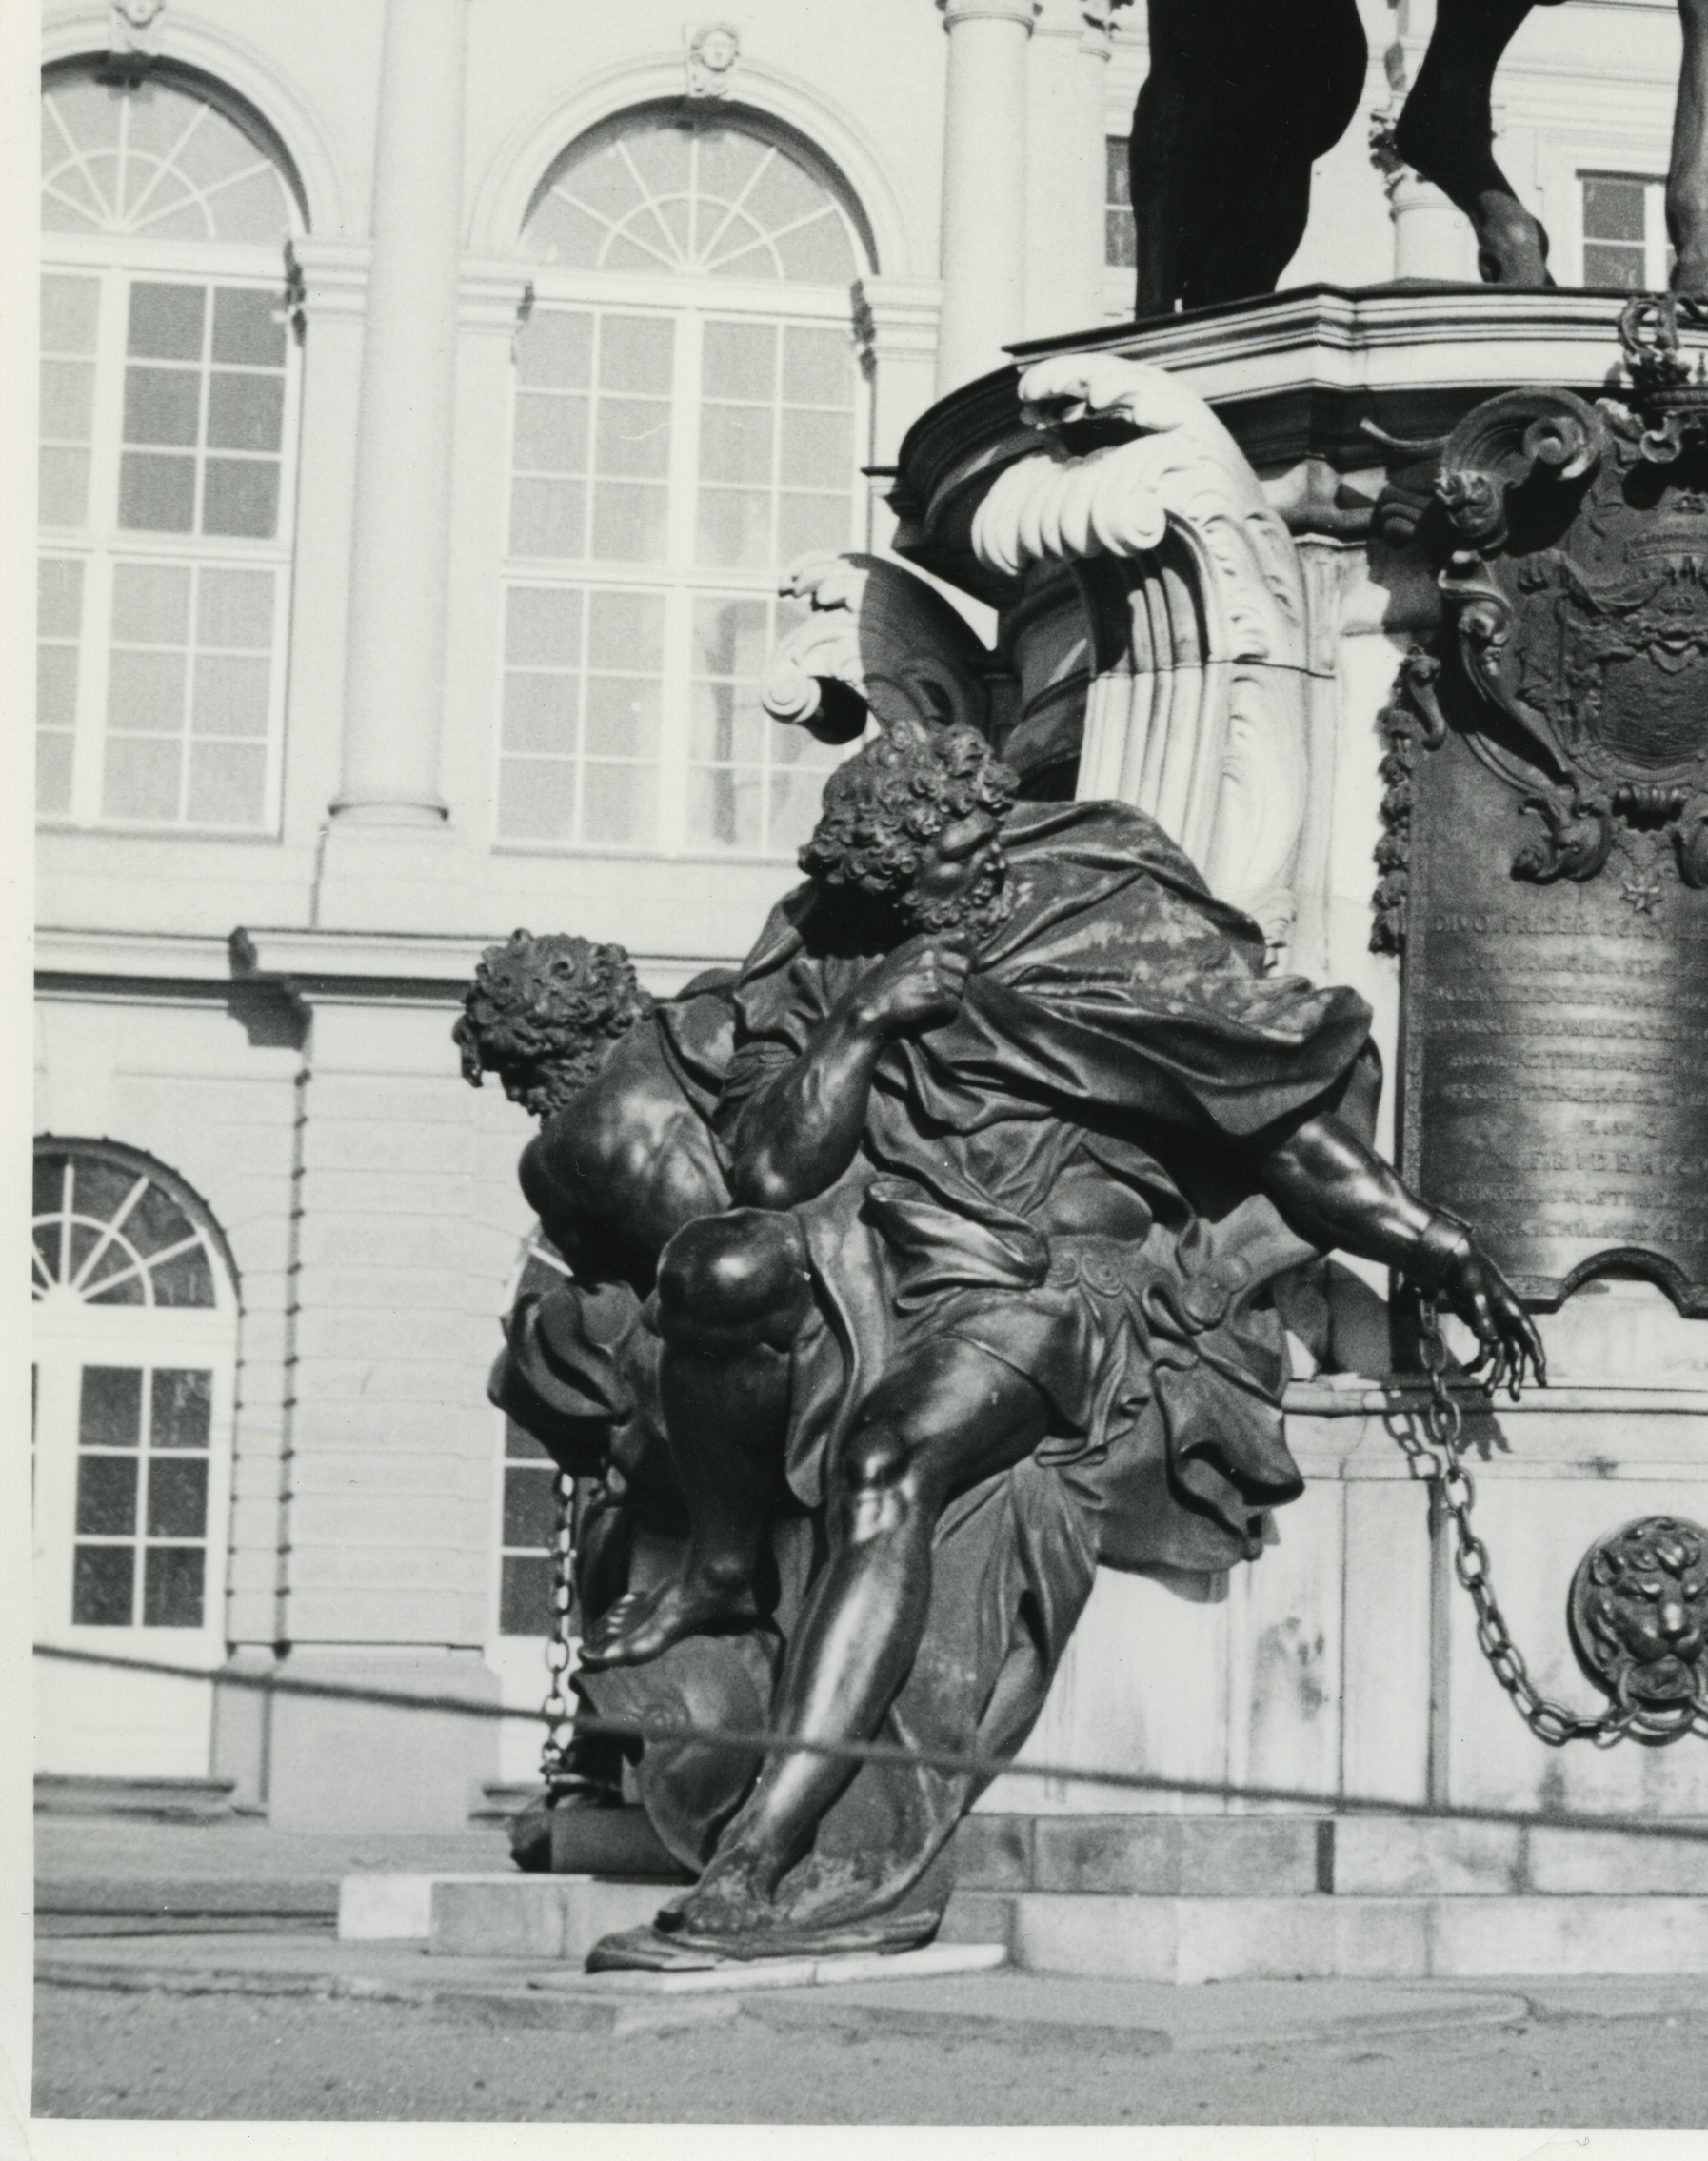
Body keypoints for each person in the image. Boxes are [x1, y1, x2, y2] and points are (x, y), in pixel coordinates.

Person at [591, 721, 1544, 1967]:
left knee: (887, 1460)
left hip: (1049, 1288)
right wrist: (864, 1020)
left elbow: (1280, 1131)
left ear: (987, 822)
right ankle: (719, 1566)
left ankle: (767, 1839)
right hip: (877, 1274)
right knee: (713, 1268)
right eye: (918, 884)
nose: (956, 893)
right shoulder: (839, 949)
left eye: (966, 856)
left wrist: (1435, 1242)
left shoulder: (1104, 895)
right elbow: (771, 1164)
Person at [454, 932, 811, 1674]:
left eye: (514, 1074)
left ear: (539, 1058)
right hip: (819, 1277)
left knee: (544, 1367)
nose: (520, 1098)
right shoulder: (714, 1011)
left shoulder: (556, 1157)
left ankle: (698, 1593)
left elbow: (624, 1292)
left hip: (719, 1354)